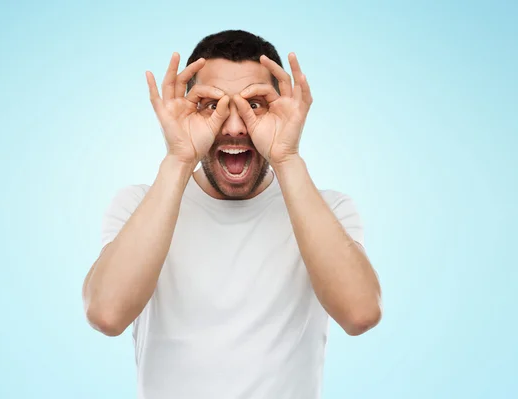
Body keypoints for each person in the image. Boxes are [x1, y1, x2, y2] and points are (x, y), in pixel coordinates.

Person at [82, 29, 382, 399]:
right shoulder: (140, 205)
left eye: (254, 104)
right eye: (213, 104)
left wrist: (286, 157)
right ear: (189, 108)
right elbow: (106, 314)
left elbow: (360, 313)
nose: (236, 126)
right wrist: (179, 158)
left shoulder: (329, 210)